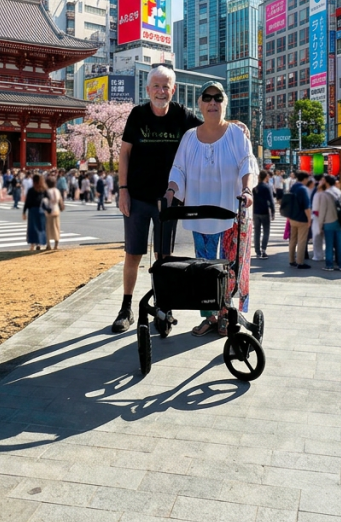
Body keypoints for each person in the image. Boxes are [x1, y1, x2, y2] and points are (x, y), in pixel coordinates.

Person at [112, 65, 201, 333]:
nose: (161, 91)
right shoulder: (137, 115)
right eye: (156, 86)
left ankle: (164, 307)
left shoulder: (182, 115)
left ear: (173, 90)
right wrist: (123, 190)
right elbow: (125, 153)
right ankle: (126, 308)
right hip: (137, 197)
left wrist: (235, 126)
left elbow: (209, 129)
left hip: (169, 200)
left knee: (164, 256)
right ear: (148, 89)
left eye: (166, 87)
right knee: (133, 254)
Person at [166, 80, 256, 336]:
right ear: (200, 104)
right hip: (200, 214)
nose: (212, 102)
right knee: (203, 266)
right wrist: (171, 190)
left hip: (232, 213)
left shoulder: (237, 134)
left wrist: (247, 189)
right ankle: (209, 316)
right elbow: (179, 169)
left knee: (229, 267)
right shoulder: (189, 137)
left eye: (218, 98)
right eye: (207, 98)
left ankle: (227, 315)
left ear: (225, 103)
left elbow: (247, 163)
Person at [315, 175, 341, 272]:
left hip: (328, 222)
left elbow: (322, 211)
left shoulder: (325, 194)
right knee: (340, 245)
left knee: (329, 245)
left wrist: (320, 225)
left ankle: (329, 265)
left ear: (327, 182)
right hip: (339, 222)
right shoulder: (340, 192)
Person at [287, 171, 312, 269]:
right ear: (305, 179)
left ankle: (291, 260)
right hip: (302, 219)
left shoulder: (293, 187)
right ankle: (300, 262)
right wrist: (309, 219)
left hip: (293, 217)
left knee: (293, 239)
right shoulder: (303, 189)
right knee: (302, 240)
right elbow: (306, 207)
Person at [22, 174, 50, 251]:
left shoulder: (32, 190)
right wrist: (48, 209)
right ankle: (39, 244)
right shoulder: (43, 190)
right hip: (41, 211)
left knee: (33, 228)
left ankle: (33, 245)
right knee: (40, 228)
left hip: (33, 211)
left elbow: (27, 202)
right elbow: (48, 200)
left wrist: (24, 212)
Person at [252, 169, 275, 259]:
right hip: (265, 211)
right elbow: (271, 200)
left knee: (257, 232)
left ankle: (257, 251)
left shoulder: (255, 187)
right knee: (266, 231)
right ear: (266, 177)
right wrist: (273, 212)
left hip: (255, 212)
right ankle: (263, 250)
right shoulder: (267, 187)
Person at [45, 176, 63, 250]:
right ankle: (56, 245)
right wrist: (61, 207)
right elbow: (60, 201)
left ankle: (48, 245)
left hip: (48, 212)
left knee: (47, 228)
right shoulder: (57, 191)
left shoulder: (46, 191)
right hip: (56, 210)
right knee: (56, 227)